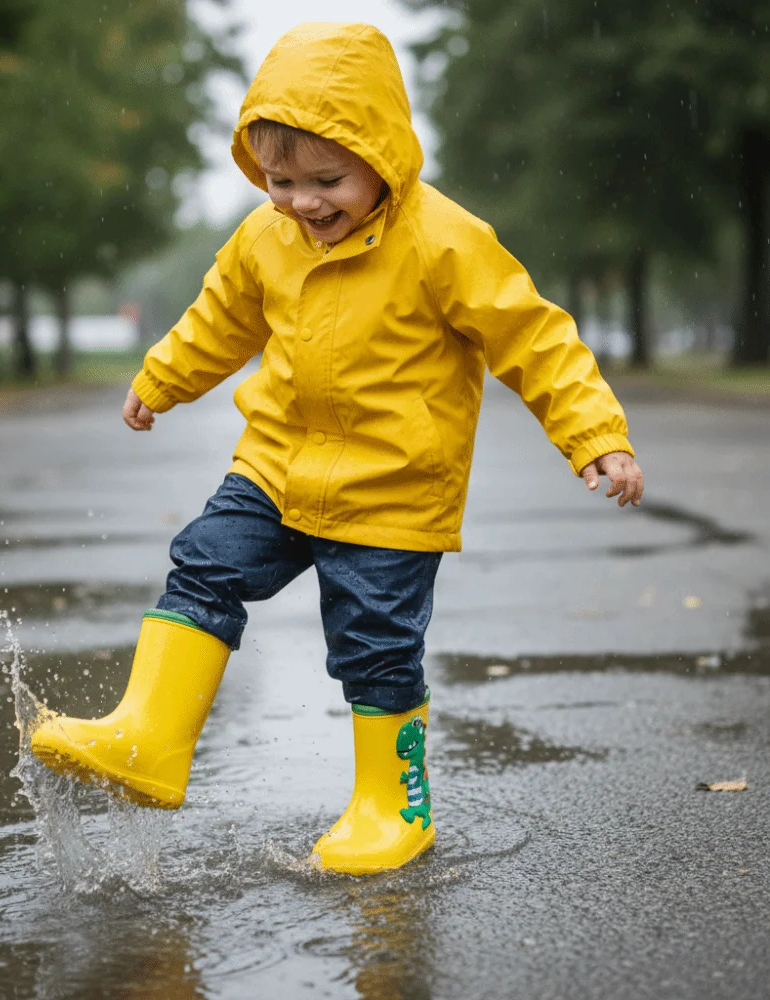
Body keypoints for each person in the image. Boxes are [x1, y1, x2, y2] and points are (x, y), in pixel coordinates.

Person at [31, 22, 644, 875]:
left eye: (329, 180)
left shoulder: (443, 240)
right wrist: (163, 379)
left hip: (394, 492)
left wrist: (595, 437)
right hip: (275, 466)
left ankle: (392, 807)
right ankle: (151, 740)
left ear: (383, 159)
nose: (304, 203)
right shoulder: (264, 238)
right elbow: (220, 320)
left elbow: (534, 340)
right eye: (280, 181)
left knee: (376, 646)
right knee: (204, 564)